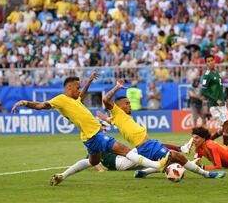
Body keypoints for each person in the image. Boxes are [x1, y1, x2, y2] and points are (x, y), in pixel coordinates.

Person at [11, 72, 166, 186]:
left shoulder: (74, 100)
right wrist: (24, 102)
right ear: (69, 87)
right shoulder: (60, 99)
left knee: (93, 161)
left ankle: (62, 176)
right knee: (125, 149)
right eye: (77, 87)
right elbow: (41, 106)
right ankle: (157, 165)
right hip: (96, 134)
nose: (79, 91)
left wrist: (89, 81)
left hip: (87, 138)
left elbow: (82, 95)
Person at [98, 79, 226, 179]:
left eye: (130, 103)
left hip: (147, 145)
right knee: (177, 157)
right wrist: (117, 87)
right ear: (118, 107)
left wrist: (105, 119)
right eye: (127, 104)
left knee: (169, 161)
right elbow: (105, 99)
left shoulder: (117, 117)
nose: (130, 105)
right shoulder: (117, 113)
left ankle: (143, 173)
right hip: (146, 146)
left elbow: (111, 120)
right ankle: (207, 174)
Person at [201, 54, 228, 145]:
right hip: (214, 105)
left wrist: (225, 99)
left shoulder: (218, 73)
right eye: (208, 61)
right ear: (206, 63)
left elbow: (220, 89)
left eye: (212, 60)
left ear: (214, 61)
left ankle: (207, 141)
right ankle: (225, 148)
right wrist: (215, 100)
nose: (211, 62)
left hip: (222, 104)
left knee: (225, 128)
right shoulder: (207, 75)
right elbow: (204, 91)